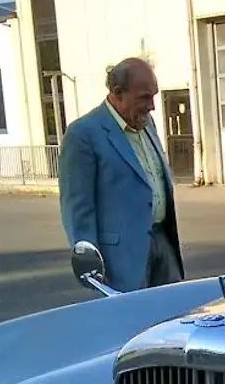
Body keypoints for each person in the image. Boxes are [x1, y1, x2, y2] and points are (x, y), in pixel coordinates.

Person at [58, 57, 185, 292]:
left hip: (162, 244)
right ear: (118, 93)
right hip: (120, 258)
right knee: (132, 322)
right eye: (144, 97)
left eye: (154, 95)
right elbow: (77, 206)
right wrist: (89, 260)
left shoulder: (147, 123)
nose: (152, 105)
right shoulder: (83, 134)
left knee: (173, 317)